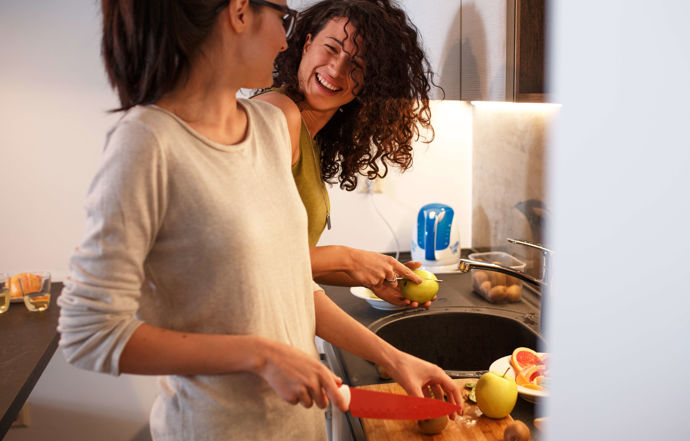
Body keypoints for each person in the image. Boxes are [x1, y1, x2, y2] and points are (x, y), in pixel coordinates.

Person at [57, 1, 462, 440]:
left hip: (298, 427)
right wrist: (259, 355)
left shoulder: (269, 127)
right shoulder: (148, 142)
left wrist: (393, 358)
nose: (285, 41)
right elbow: (89, 334)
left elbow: (289, 285)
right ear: (239, 13)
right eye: (284, 19)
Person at [252, 0, 439, 308]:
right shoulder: (277, 114)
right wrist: (349, 258)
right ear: (307, 43)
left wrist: (374, 276)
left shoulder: (310, 129)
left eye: (358, 65)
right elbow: (250, 256)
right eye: (331, 48)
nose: (337, 70)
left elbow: (291, 261)